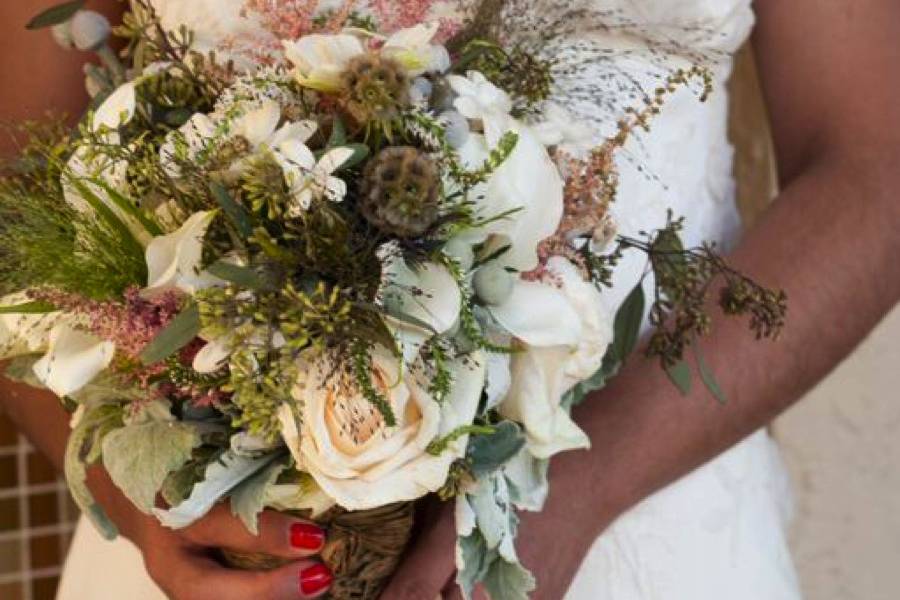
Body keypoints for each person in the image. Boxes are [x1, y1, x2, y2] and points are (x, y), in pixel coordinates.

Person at [1, 1, 898, 599]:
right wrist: (139, 489)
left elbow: (875, 166)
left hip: (642, 513)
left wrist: (582, 487)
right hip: (218, 552)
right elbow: (13, 197)